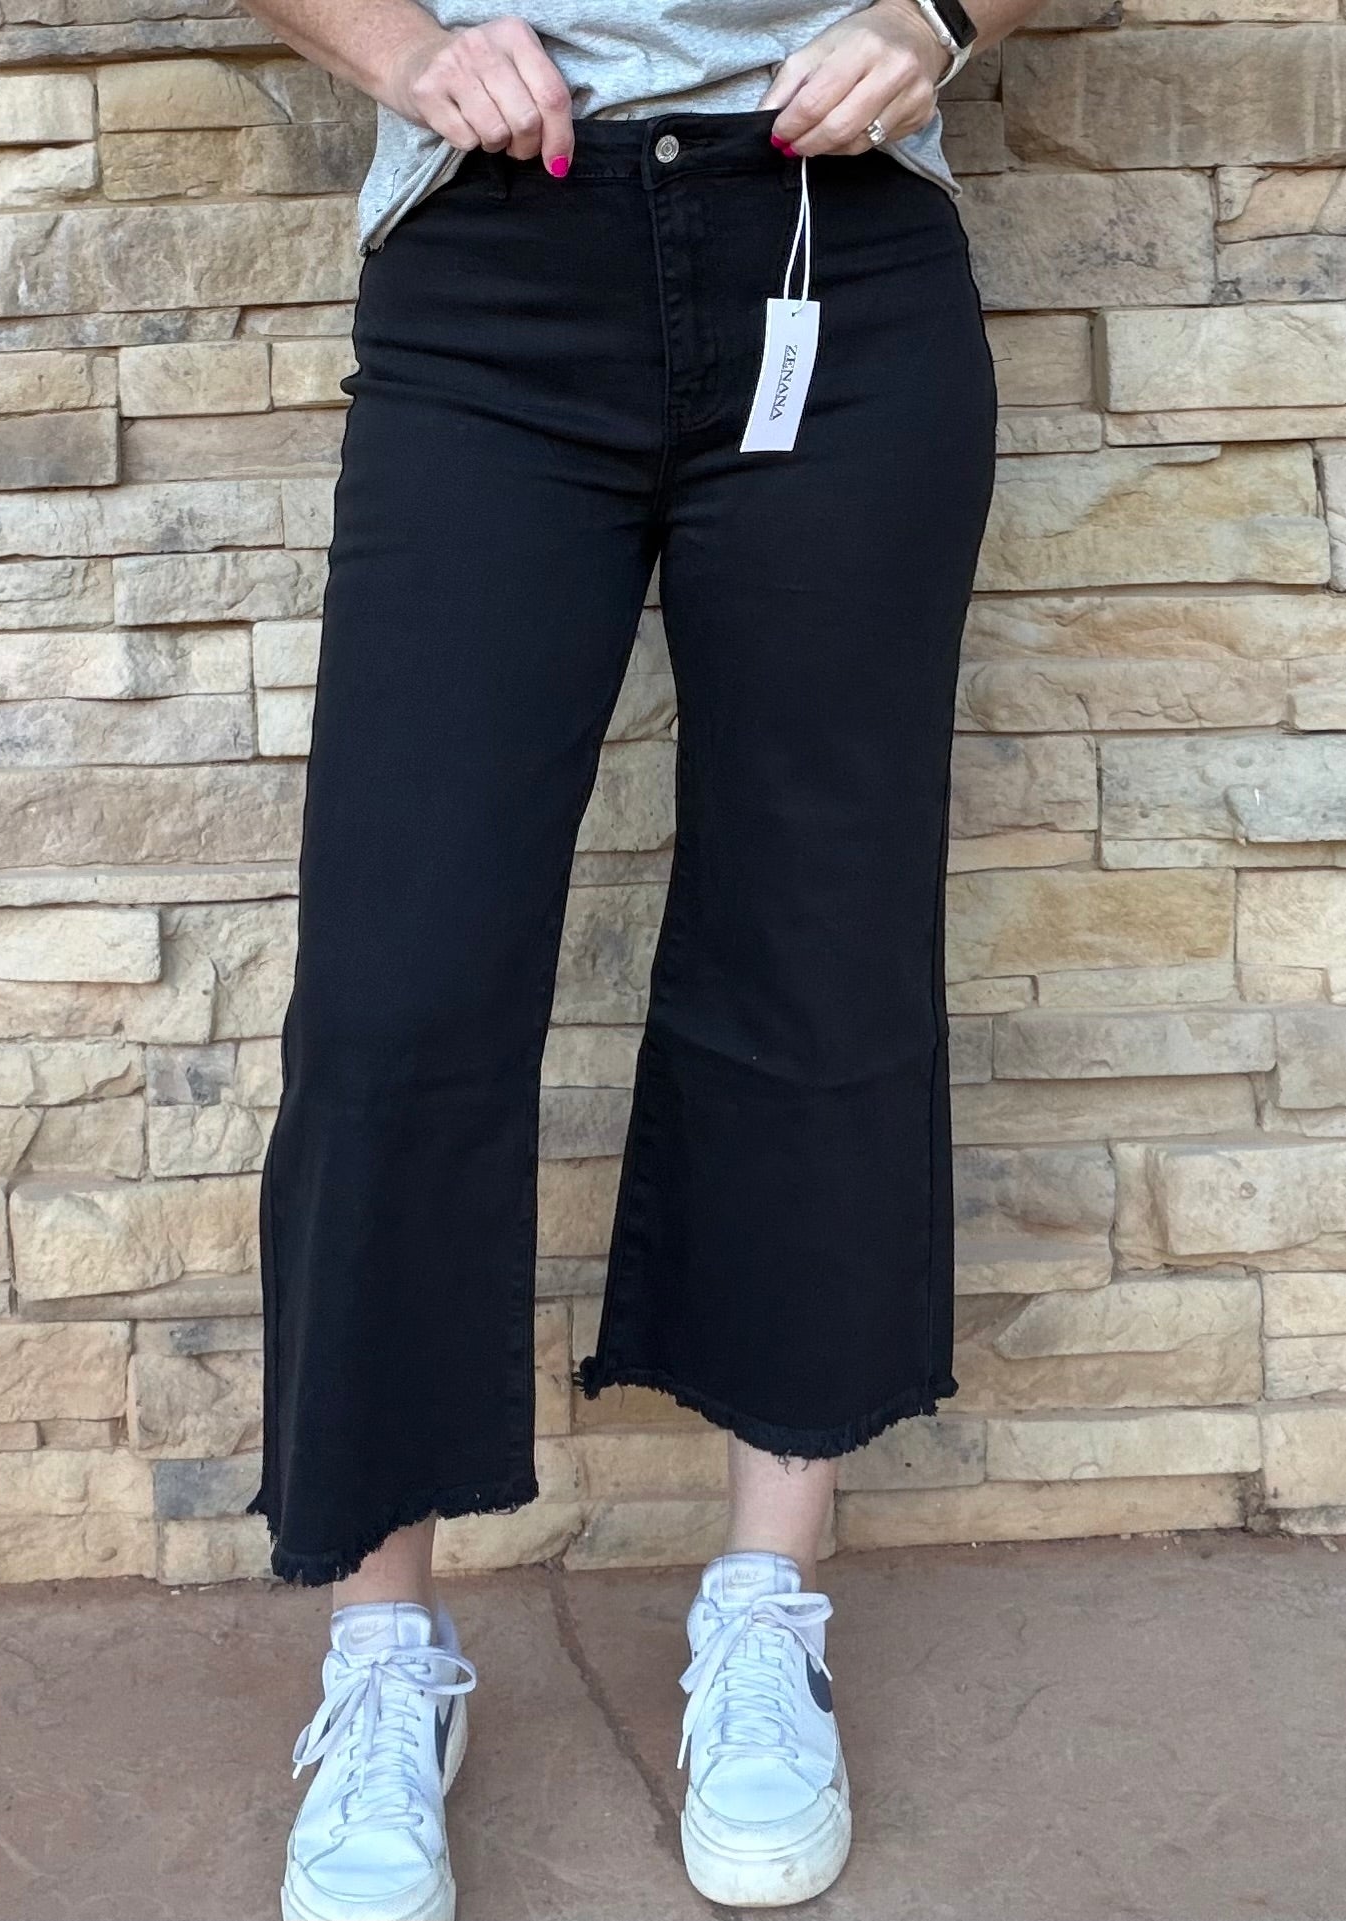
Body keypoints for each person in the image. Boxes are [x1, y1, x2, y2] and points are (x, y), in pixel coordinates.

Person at [232, 3, 1044, 1913]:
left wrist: (935, 19)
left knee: (819, 942)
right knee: (398, 985)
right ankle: (382, 1650)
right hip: (490, 274)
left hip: (837, 251)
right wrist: (396, 49)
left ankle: (766, 1602)